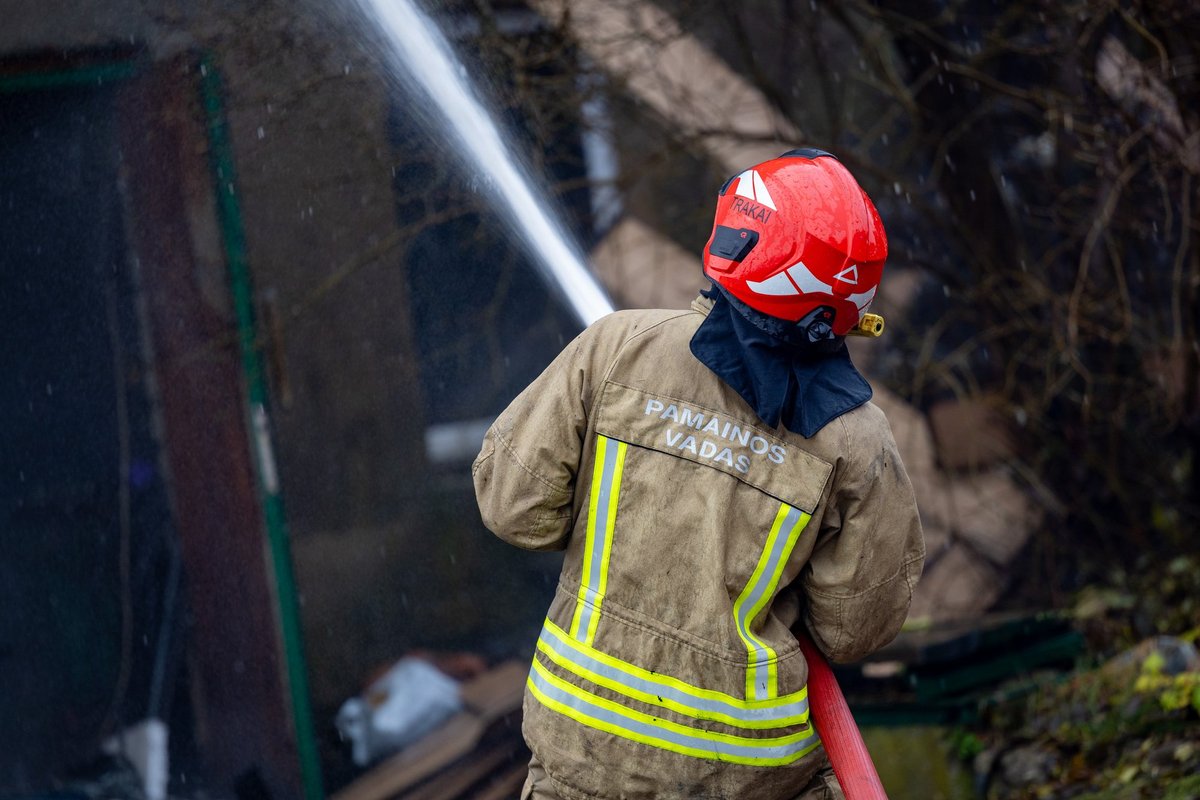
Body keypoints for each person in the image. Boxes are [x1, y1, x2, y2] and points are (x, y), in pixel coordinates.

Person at [473, 149, 925, 800]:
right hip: (747, 777)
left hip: (582, 754)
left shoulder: (617, 347)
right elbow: (853, 631)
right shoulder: (857, 441)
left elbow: (514, 505)